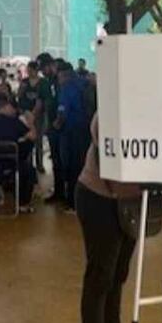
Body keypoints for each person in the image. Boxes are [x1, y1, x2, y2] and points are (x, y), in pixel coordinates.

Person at [75, 113, 155, 323]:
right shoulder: (112, 106)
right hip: (100, 198)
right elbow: (108, 143)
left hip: (129, 201)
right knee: (99, 276)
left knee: (118, 274)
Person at [56, 60, 91, 211]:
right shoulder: (84, 83)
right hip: (86, 129)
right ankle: (85, 201)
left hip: (71, 131)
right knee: (84, 165)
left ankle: (72, 202)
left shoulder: (67, 88)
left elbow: (62, 113)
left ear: (63, 75)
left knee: (71, 167)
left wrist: (55, 126)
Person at [37, 54, 60, 195]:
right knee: (56, 160)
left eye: (43, 69)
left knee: (64, 161)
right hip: (53, 124)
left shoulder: (60, 80)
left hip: (62, 126)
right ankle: (58, 191)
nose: (42, 72)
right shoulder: (48, 81)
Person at [17, 61, 43, 171]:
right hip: (25, 114)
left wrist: (34, 113)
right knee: (26, 139)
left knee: (38, 140)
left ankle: (39, 163)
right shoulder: (24, 82)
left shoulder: (42, 83)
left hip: (38, 115)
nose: (29, 72)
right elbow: (19, 96)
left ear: (36, 70)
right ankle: (28, 164)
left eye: (31, 70)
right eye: (28, 70)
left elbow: (41, 100)